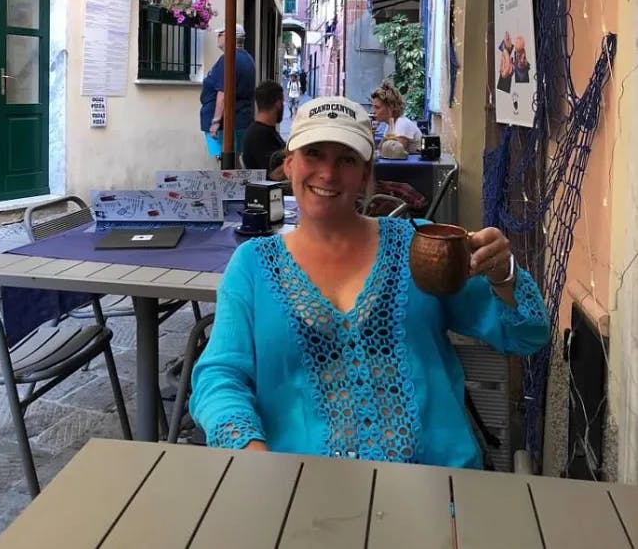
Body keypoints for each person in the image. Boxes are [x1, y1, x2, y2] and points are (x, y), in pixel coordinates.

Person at [191, 96, 549, 468]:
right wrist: (251, 452)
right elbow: (219, 378)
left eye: (346, 159)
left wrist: (502, 273)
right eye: (314, 154)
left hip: (435, 493)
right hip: (297, 493)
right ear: (288, 164)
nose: (328, 174)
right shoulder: (252, 266)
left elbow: (528, 335)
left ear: (364, 174)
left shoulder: (422, 246)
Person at [200, 24, 256, 161]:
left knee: (225, 162)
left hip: (226, 123)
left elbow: (223, 92)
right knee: (233, 160)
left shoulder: (228, 59)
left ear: (229, 37)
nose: (217, 37)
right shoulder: (248, 59)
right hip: (241, 118)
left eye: (220, 34)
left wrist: (216, 121)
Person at [241, 80, 285, 175]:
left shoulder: (266, 131)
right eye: (283, 102)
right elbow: (273, 174)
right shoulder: (259, 135)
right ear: (278, 104)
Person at [370, 80, 422, 153]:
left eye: (377, 107)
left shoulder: (402, 124)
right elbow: (379, 150)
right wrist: (371, 134)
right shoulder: (390, 125)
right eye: (373, 107)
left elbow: (394, 152)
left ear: (391, 107)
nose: (373, 111)